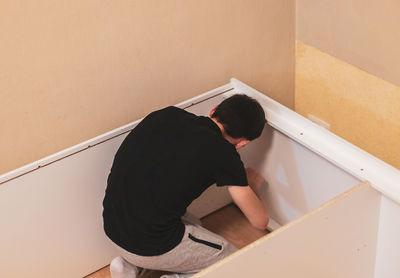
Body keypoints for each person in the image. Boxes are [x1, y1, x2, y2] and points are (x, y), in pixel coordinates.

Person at [102, 94, 269, 278]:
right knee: (234, 264)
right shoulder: (224, 154)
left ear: (214, 109)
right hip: (145, 243)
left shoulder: (166, 115)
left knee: (194, 225)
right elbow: (259, 221)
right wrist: (251, 186)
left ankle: (129, 267)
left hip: (112, 224)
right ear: (243, 142)